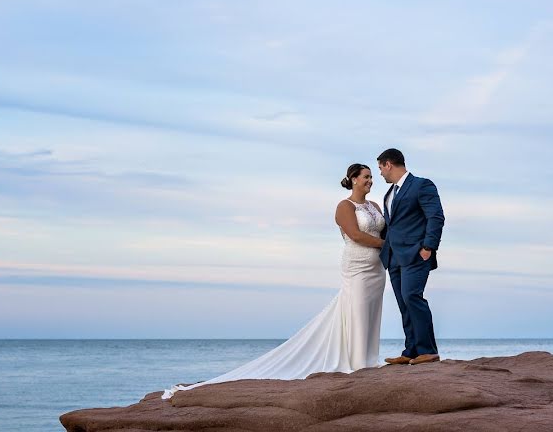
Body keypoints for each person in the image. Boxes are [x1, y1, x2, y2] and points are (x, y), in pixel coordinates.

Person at [162, 163, 386, 400]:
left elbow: (382, 231)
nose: (370, 181)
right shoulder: (344, 206)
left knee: (372, 311)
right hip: (357, 266)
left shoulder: (374, 206)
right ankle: (358, 362)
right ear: (353, 179)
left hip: (376, 268)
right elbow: (355, 234)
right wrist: (387, 245)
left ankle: (369, 358)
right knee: (357, 310)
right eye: (366, 177)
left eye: (372, 177)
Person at [376, 148, 444, 366]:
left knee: (412, 297)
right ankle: (411, 350)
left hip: (416, 253)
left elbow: (436, 217)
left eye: (380, 168)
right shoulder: (389, 194)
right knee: (403, 303)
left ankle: (428, 350)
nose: (380, 174)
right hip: (394, 257)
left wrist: (428, 246)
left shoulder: (422, 185)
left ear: (389, 164)